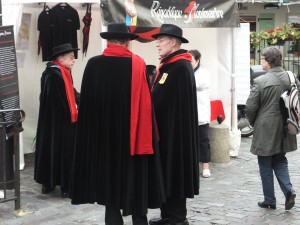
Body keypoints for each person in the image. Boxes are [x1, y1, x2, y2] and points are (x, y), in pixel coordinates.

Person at [69, 22, 165, 225]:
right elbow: (146, 107)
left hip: (104, 139)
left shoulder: (94, 65)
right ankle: (139, 220)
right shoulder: (138, 64)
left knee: (109, 188)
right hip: (132, 138)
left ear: (108, 40)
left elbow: (87, 106)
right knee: (135, 183)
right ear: (127, 42)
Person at [149, 24, 199, 225]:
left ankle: (177, 218)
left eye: (160, 40)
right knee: (167, 172)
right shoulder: (170, 64)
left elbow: (173, 103)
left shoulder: (180, 66)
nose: (157, 44)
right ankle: (167, 215)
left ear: (173, 42)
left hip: (176, 134)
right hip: (166, 131)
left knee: (175, 171)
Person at [245, 46, 298, 210]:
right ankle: (288, 190)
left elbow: (250, 108)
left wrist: (255, 123)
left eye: (262, 58)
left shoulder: (260, 81)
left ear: (268, 60)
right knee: (280, 160)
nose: (261, 61)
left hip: (266, 128)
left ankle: (269, 200)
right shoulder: (292, 77)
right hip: (285, 126)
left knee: (265, 164)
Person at [34, 43, 80, 198]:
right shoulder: (53, 75)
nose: (74, 60)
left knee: (57, 152)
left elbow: (72, 93)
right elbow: (56, 101)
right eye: (71, 58)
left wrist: (81, 100)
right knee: (57, 151)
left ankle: (55, 183)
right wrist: (73, 109)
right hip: (56, 122)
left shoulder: (63, 73)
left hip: (60, 121)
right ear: (61, 58)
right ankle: (56, 184)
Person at [188, 49, 211, 178]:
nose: (189, 62)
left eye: (191, 60)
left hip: (200, 112)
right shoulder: (185, 71)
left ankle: (206, 166)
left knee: (203, 140)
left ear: (197, 60)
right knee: (190, 141)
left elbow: (199, 85)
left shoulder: (204, 73)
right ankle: (192, 165)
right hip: (188, 112)